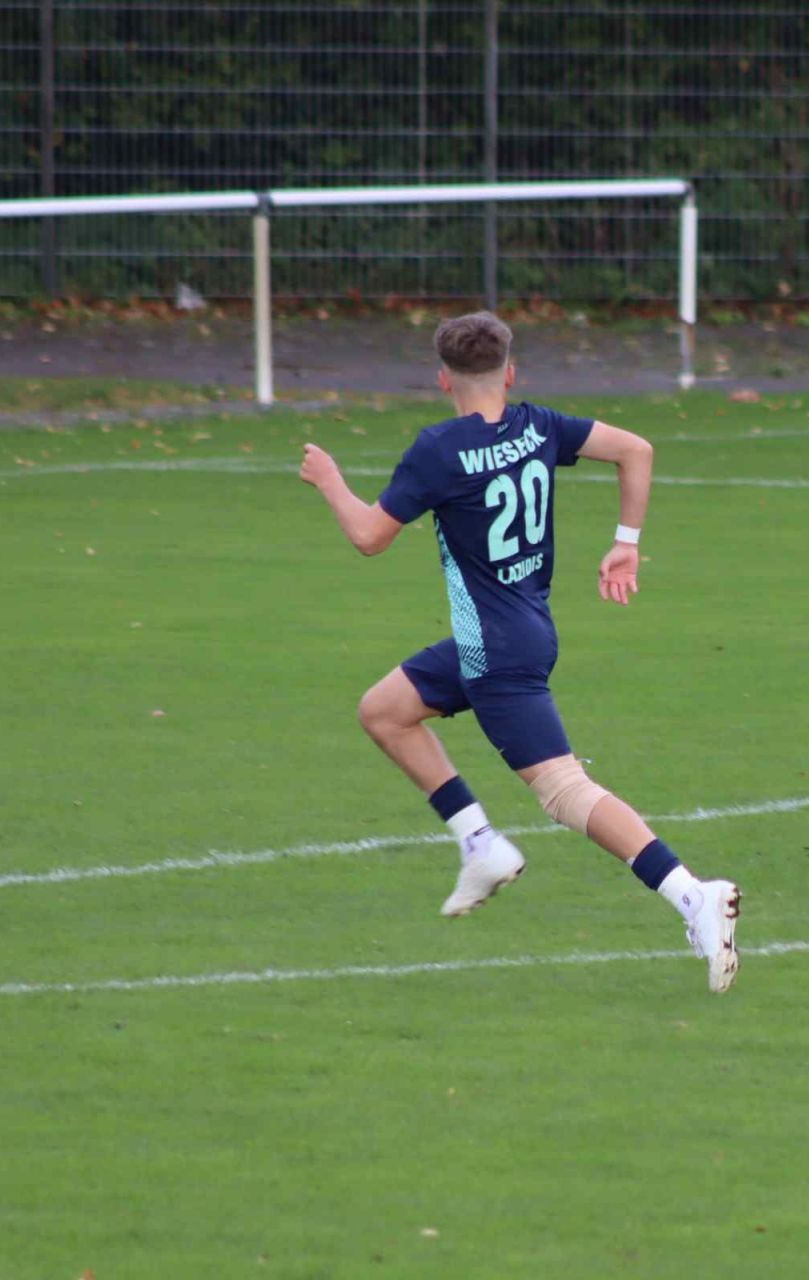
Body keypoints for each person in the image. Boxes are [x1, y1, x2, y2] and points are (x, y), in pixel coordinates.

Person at [298, 311, 742, 992]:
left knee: (564, 792)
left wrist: (330, 479)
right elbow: (636, 449)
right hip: (519, 631)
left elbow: (368, 536)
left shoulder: (439, 449)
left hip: (495, 653)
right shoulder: (538, 425)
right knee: (385, 711)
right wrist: (626, 542)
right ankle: (480, 845)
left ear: (442, 379)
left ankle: (692, 895)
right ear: (510, 374)